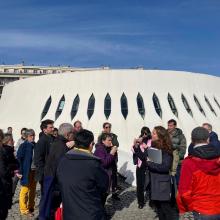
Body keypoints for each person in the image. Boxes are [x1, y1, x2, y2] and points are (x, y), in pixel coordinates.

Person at [57, 129, 109, 220]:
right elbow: (104, 186)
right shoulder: (93, 164)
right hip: (90, 212)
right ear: (90, 144)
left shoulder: (63, 160)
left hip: (69, 212)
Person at [177, 127, 220, 219]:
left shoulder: (189, 163)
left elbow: (184, 192)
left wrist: (190, 208)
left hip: (200, 209)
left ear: (192, 140)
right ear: (208, 139)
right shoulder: (218, 160)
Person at [40, 123, 74, 220]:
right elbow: (60, 164)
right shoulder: (61, 145)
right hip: (52, 176)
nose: (73, 136)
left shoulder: (59, 142)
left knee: (48, 200)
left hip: (51, 175)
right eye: (72, 134)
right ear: (68, 134)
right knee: (48, 201)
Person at [148, 126, 178, 220]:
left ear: (160, 136)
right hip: (154, 181)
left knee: (166, 209)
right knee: (159, 208)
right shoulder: (154, 147)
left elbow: (165, 167)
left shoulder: (166, 149)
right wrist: (137, 148)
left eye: (153, 133)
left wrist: (149, 163)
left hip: (162, 183)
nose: (151, 135)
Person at [17, 129, 36, 217]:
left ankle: (31, 207)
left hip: (34, 171)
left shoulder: (35, 145)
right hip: (26, 171)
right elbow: (19, 159)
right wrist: (20, 171)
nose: (32, 137)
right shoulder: (23, 146)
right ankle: (24, 209)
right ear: (27, 137)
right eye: (31, 136)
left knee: (33, 190)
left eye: (33, 135)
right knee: (24, 190)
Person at [94, 133, 118, 203]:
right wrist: (111, 153)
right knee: (101, 196)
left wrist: (114, 153)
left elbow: (113, 162)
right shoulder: (100, 149)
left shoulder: (108, 148)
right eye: (109, 140)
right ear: (103, 141)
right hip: (102, 177)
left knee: (104, 196)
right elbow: (104, 163)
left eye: (111, 140)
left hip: (108, 175)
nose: (110, 142)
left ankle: (102, 211)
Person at [132, 127, 151, 209]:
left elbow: (148, 153)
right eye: (143, 133)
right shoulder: (138, 140)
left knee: (150, 184)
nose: (144, 135)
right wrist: (135, 145)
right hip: (140, 165)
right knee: (140, 184)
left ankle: (152, 200)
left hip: (149, 164)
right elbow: (134, 150)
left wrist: (141, 145)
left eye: (146, 133)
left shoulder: (151, 141)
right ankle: (140, 202)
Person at [98, 122, 120, 193]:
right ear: (104, 128)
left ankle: (114, 192)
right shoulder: (101, 137)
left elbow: (116, 144)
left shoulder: (113, 136)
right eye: (106, 127)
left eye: (109, 127)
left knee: (114, 175)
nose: (108, 128)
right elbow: (99, 145)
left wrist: (112, 145)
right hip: (106, 157)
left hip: (113, 157)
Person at [34, 119, 54, 194]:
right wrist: (44, 172)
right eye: (50, 127)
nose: (53, 129)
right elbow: (38, 159)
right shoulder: (42, 141)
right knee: (46, 194)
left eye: (53, 127)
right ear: (44, 130)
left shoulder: (52, 139)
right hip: (45, 173)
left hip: (51, 171)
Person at [1, 133, 18, 213]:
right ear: (7, 141)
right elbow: (4, 170)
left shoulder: (8, 150)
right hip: (4, 183)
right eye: (11, 140)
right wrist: (13, 170)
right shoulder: (6, 151)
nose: (13, 141)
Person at [167, 119, 186, 185]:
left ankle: (177, 194)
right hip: (167, 161)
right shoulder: (165, 134)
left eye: (171, 126)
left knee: (177, 181)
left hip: (177, 163)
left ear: (175, 126)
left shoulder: (180, 136)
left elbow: (183, 149)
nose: (169, 127)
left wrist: (177, 157)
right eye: (168, 125)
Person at [12, 128, 27, 197]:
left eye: (25, 133)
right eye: (22, 133)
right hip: (19, 164)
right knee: (15, 180)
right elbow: (15, 152)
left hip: (26, 164)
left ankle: (24, 197)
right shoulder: (19, 141)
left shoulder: (29, 141)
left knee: (26, 182)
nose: (23, 134)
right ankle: (11, 195)